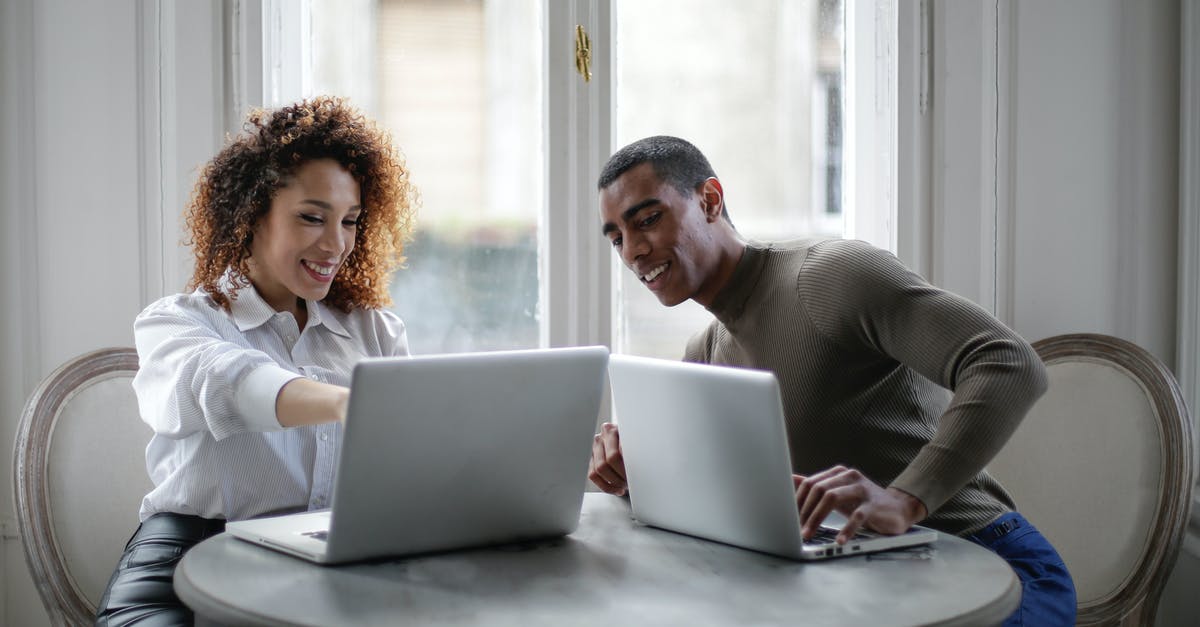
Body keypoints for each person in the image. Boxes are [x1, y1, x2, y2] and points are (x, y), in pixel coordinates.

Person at [587, 135, 1076, 626]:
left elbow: (1009, 362)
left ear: (710, 200)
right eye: (616, 238)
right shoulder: (706, 353)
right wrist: (635, 473)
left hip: (987, 563)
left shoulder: (829, 277)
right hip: (861, 579)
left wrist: (905, 499)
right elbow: (717, 504)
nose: (633, 252)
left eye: (647, 220)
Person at [95, 96, 417, 626]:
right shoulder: (177, 321)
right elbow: (224, 381)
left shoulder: (374, 331)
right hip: (186, 561)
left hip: (332, 563)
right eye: (312, 217)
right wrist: (348, 402)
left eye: (351, 221)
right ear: (251, 215)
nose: (336, 244)